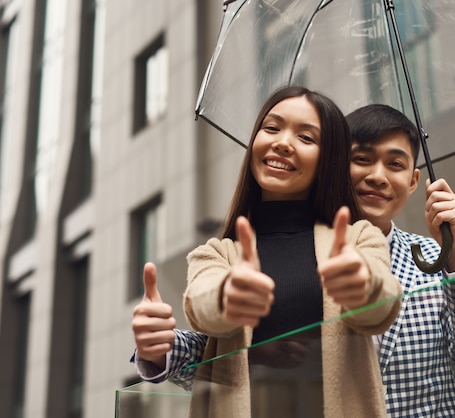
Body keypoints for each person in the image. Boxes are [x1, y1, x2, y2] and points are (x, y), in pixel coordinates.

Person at [131, 103, 455, 417]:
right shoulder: (291, 254)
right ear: (331, 167)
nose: (377, 176)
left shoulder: (435, 259)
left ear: (414, 182)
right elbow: (220, 350)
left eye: (395, 165)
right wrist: (159, 350)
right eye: (361, 159)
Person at [134, 86, 403, 418]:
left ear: (328, 160)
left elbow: (382, 305)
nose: (282, 142)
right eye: (272, 127)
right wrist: (228, 295)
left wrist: (363, 285)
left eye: (306, 138)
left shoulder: (358, 238)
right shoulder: (216, 253)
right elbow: (202, 305)